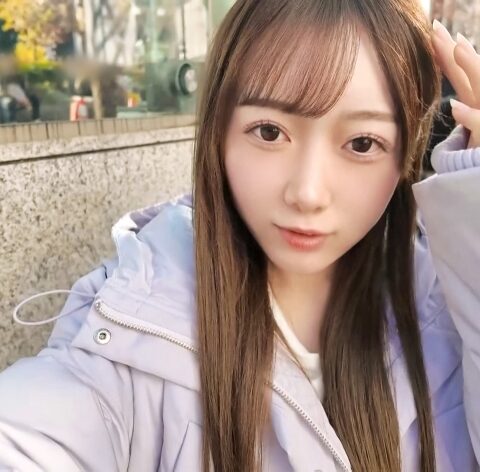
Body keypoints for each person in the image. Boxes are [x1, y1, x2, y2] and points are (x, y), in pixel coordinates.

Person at [1, 1, 480, 470]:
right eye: (269, 132)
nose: (307, 193)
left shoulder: (450, 319)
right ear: (219, 132)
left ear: (405, 155)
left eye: (362, 143)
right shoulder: (130, 332)